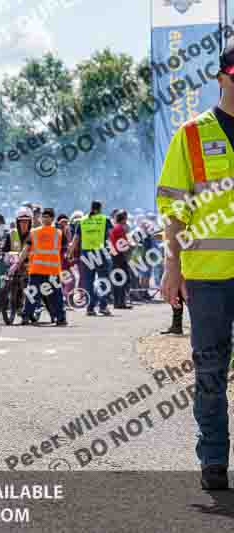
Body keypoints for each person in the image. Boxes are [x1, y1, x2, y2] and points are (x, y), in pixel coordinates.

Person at [157, 41, 234, 490]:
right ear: (222, 77)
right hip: (206, 277)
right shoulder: (191, 135)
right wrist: (172, 266)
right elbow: (173, 208)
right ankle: (213, 459)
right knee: (210, 371)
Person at [14, 207, 67, 326]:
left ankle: (28, 317)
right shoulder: (55, 233)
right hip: (46, 270)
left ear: (52, 218)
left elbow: (26, 250)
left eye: (47, 216)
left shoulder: (37, 232)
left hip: (43, 270)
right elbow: (26, 249)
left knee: (43, 295)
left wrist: (18, 263)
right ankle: (59, 318)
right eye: (44, 216)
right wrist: (18, 263)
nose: (45, 219)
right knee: (44, 295)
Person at [0, 207, 33, 324]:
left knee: (31, 288)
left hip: (29, 266)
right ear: (17, 222)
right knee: (2, 289)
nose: (24, 223)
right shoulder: (11, 234)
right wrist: (0, 254)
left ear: (30, 222)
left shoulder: (33, 234)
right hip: (12, 266)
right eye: (21, 221)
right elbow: (4, 248)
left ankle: (29, 312)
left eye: (26, 221)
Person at [68, 200, 113, 316]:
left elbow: (75, 240)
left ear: (91, 208)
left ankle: (90, 307)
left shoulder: (82, 221)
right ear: (100, 208)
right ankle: (103, 307)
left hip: (86, 255)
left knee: (88, 281)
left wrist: (69, 254)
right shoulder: (105, 219)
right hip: (100, 254)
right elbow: (111, 236)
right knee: (103, 280)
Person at [110, 210, 134, 309]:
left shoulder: (114, 227)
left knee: (117, 279)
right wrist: (131, 246)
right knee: (123, 279)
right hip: (119, 256)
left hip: (114, 255)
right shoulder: (120, 228)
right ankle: (120, 302)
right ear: (123, 219)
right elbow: (123, 243)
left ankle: (117, 302)